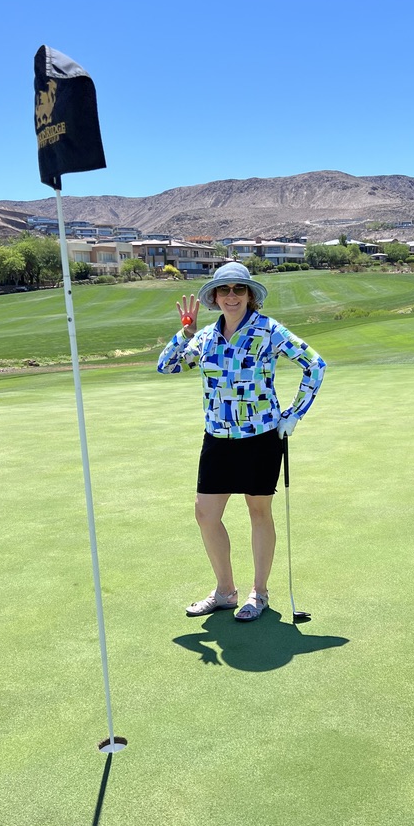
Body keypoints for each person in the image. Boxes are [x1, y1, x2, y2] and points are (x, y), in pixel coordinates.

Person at [157, 262, 326, 621]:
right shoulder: (203, 338)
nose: (231, 296)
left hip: (260, 437)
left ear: (250, 296)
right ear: (215, 298)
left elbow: (316, 364)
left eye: (239, 289)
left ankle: (258, 593)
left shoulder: (269, 331)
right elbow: (166, 366)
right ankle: (225, 592)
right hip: (217, 438)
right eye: (224, 290)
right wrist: (183, 334)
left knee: (258, 512)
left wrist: (294, 414)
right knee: (205, 514)